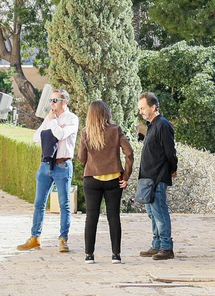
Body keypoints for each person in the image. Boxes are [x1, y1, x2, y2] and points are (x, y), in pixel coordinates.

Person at [19, 88, 78, 253]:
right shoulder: (50, 117)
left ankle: (63, 239)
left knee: (64, 204)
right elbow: (36, 137)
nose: (51, 103)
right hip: (45, 165)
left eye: (55, 100)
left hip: (62, 165)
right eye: (51, 100)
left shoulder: (72, 119)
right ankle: (35, 238)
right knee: (39, 203)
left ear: (64, 102)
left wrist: (52, 123)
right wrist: (50, 122)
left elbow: (61, 135)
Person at [75, 99, 134, 264]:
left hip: (92, 179)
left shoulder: (86, 132)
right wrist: (126, 175)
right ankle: (116, 255)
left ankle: (89, 255)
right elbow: (129, 152)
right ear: (106, 113)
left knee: (91, 217)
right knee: (113, 216)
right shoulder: (116, 130)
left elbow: (81, 158)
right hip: (114, 179)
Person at [136, 91, 177, 260]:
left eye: (143, 108)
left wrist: (172, 168)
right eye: (140, 109)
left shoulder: (162, 125)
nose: (141, 112)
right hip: (147, 179)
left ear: (153, 107)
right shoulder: (152, 125)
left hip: (157, 178)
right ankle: (157, 245)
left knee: (160, 213)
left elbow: (170, 152)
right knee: (152, 214)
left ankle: (166, 247)